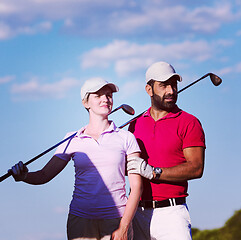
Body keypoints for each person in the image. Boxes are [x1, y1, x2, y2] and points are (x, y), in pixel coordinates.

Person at [9, 77, 143, 240]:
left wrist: (124, 226)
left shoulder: (126, 137)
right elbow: (44, 175)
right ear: (85, 103)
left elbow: (137, 187)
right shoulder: (71, 139)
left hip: (116, 220)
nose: (105, 99)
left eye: (108, 95)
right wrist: (23, 176)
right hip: (80, 221)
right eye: (98, 95)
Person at [127, 61, 206, 240]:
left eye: (174, 84)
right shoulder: (135, 125)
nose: (171, 91)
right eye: (163, 85)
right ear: (149, 89)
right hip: (137, 214)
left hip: (172, 215)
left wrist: (154, 172)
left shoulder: (189, 122)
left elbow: (196, 167)